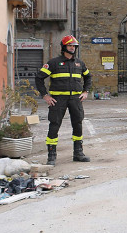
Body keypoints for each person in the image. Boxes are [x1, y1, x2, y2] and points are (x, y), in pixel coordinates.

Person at [35, 35, 92, 165]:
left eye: (74, 46)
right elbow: (39, 78)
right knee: (54, 125)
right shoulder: (53, 63)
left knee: (78, 124)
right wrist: (45, 95)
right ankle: (51, 156)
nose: (72, 48)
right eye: (70, 45)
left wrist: (85, 91)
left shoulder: (80, 63)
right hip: (58, 100)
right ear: (64, 47)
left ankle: (78, 153)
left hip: (76, 99)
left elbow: (88, 77)